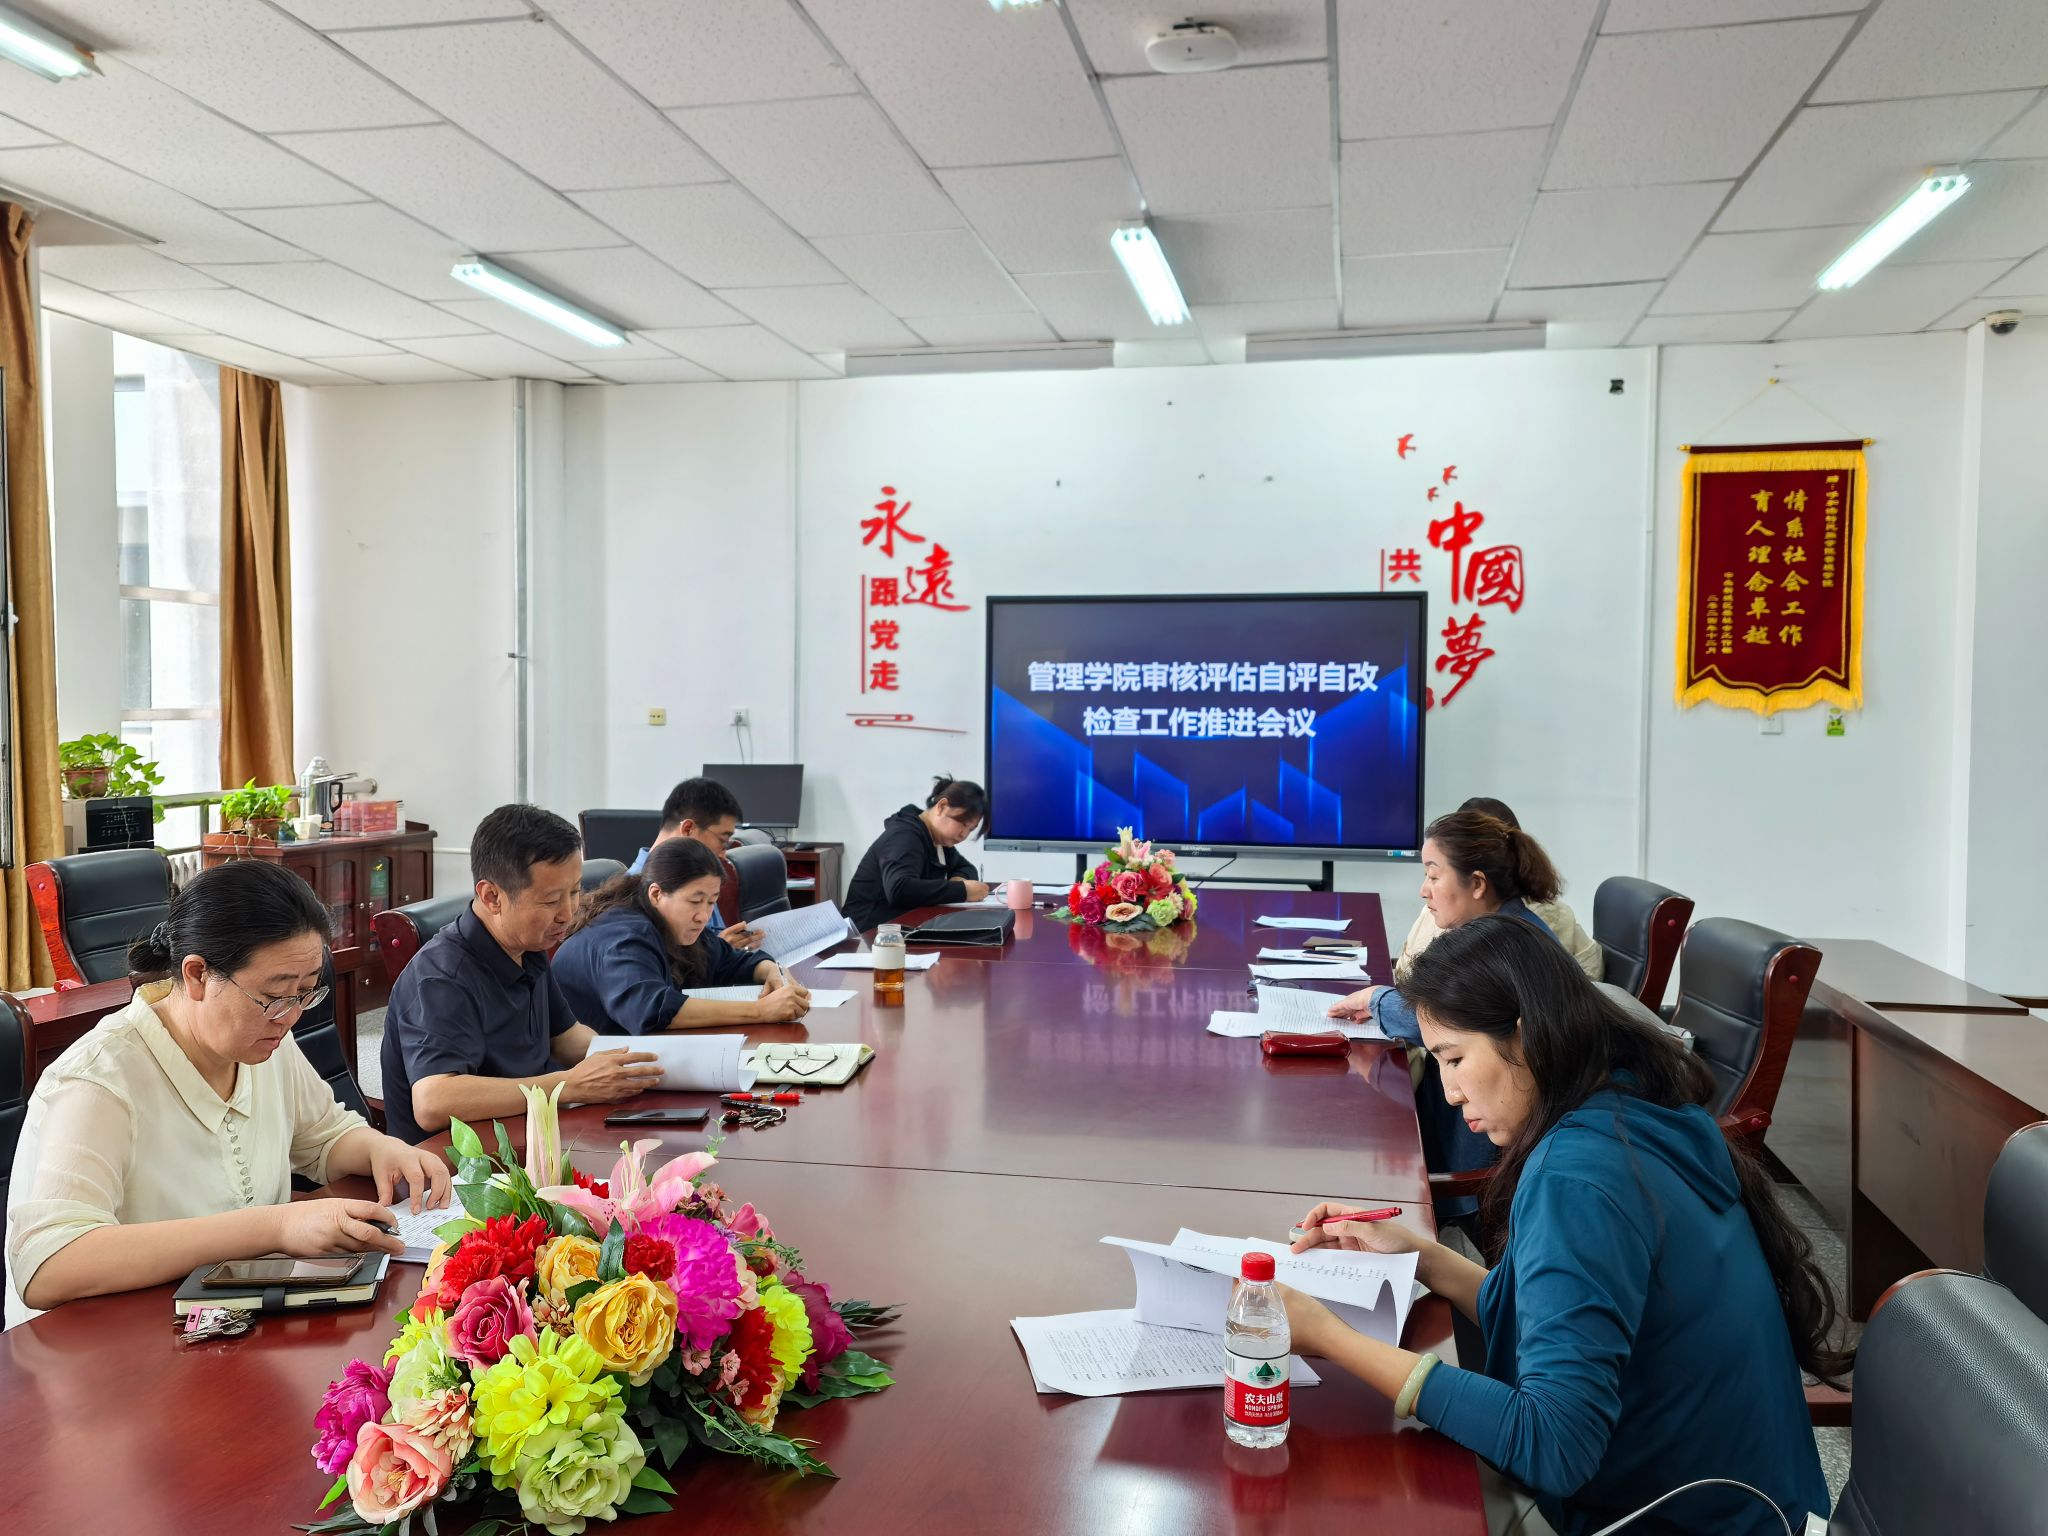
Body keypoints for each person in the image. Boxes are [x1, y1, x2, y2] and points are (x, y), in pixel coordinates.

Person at [1282, 917, 1843, 1536]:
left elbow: (1552, 1444)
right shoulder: (1637, 1110)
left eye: (1455, 1058)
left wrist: (1331, 1339)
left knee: (1360, 1500)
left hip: (1669, 1520)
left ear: (1525, 1037)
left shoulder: (1576, 1178)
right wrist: (1421, 1256)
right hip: (1750, 1507)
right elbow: (1558, 1315)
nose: (1450, 1092)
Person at [5, 860, 452, 1327]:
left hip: (224, 1320)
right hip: (111, 1341)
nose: (290, 1016)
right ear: (197, 975)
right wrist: (274, 1226)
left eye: (306, 993)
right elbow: (48, 1264)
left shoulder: (264, 1041)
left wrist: (380, 1148)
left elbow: (323, 1136)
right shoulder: (97, 1080)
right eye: (274, 996)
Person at [380, 804, 666, 1146]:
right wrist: (569, 1085)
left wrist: (645, 1064)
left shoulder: (528, 944)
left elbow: (566, 1037)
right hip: (464, 1162)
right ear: (492, 897)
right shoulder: (441, 976)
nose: (567, 913)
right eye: (550, 901)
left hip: (531, 1133)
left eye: (575, 892)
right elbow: (433, 1101)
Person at [555, 837, 811, 1031]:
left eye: (711, 902)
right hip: (582, 1072)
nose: (704, 916)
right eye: (695, 901)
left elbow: (730, 960)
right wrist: (760, 1011)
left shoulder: (671, 922)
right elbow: (651, 1010)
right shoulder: (625, 935)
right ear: (656, 894)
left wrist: (773, 972)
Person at [1394, 798, 1602, 981]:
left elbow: (1431, 1004)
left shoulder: (1500, 948)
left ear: (1477, 884)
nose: (1423, 891)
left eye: (1433, 876)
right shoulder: (1508, 924)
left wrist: (1380, 997)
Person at [627, 777, 763, 952]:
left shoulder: (700, 874)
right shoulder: (634, 893)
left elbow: (715, 935)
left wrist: (733, 946)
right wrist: (718, 951)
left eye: (709, 902)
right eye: (722, 841)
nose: (723, 854)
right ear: (688, 829)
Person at [842, 775, 992, 931]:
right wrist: (961, 890)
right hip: (867, 934)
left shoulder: (938, 839)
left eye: (971, 829)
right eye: (963, 824)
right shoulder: (905, 835)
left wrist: (959, 881)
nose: (964, 834)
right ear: (942, 806)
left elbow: (966, 867)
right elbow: (899, 889)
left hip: (900, 929)